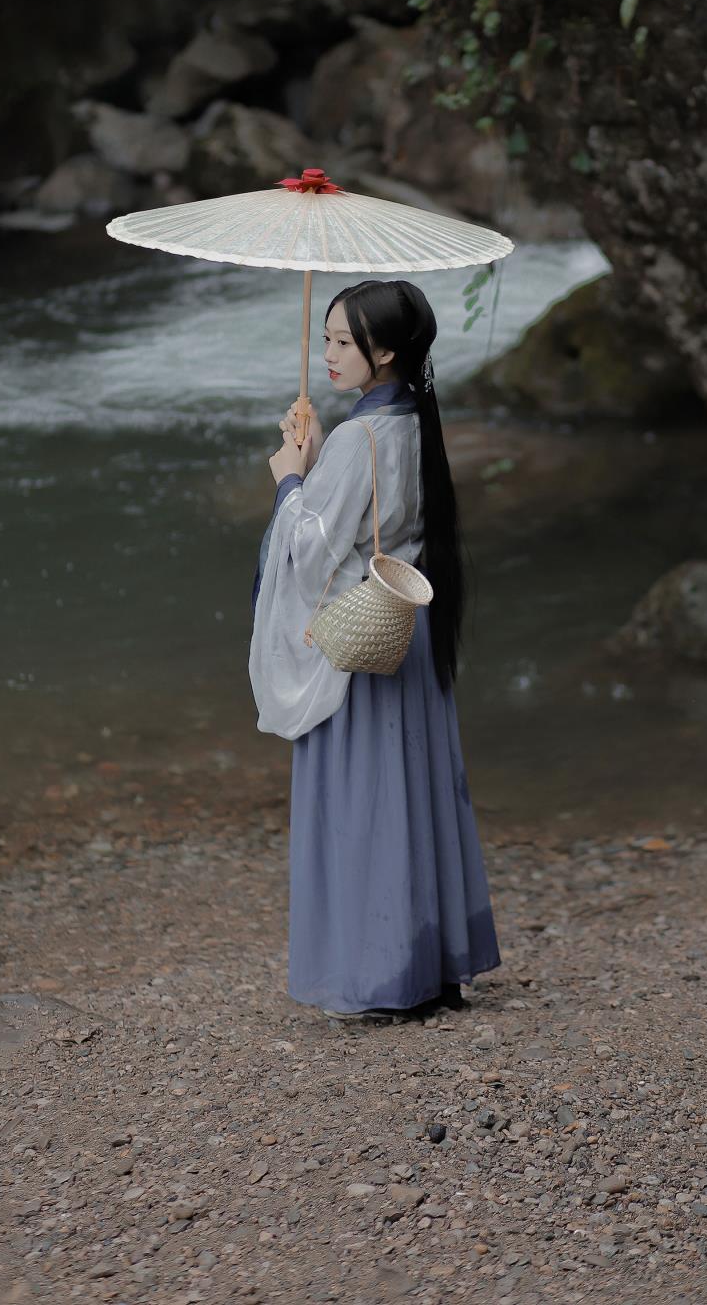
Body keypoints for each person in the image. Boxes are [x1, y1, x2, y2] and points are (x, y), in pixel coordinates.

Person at [249, 278, 501, 1020]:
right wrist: (321, 457)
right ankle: (436, 966)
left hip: (363, 639)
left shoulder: (361, 440)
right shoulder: (416, 423)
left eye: (341, 342)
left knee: (364, 804)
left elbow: (311, 548)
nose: (325, 354)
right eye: (323, 339)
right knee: (415, 792)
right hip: (408, 629)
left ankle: (381, 974)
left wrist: (291, 475)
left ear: (383, 350)